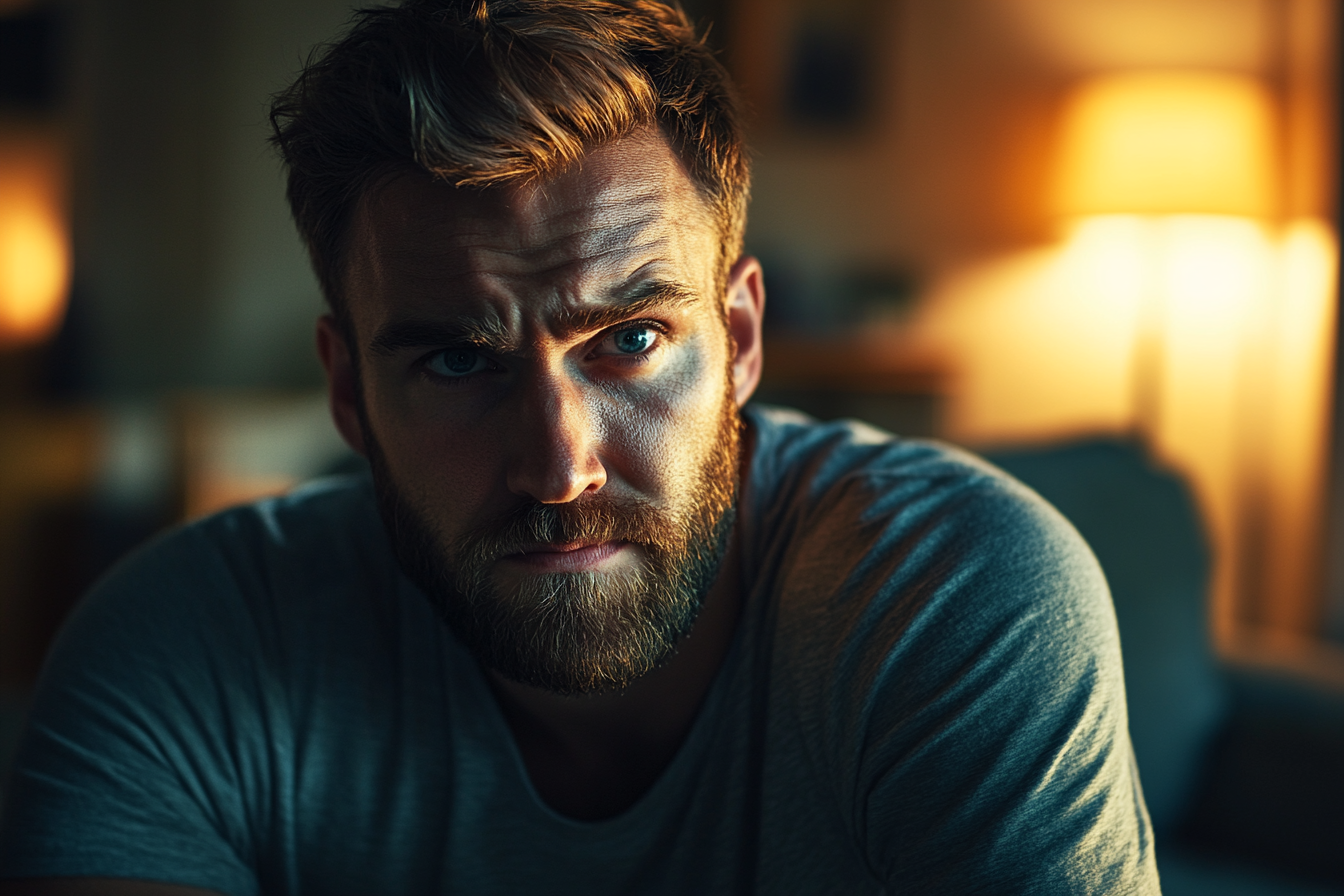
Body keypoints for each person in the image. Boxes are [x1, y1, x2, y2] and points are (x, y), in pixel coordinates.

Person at [0, 1, 1159, 893]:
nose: (560, 467)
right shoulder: (181, 650)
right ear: (348, 391)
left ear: (742, 339)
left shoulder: (961, 596)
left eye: (633, 339)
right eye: (458, 360)